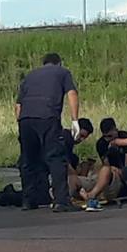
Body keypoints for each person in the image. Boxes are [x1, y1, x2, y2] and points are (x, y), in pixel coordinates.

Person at [16, 52, 82, 213]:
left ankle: (29, 200)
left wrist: (21, 123)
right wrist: (75, 120)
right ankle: (61, 201)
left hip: (25, 119)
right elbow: (72, 94)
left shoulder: (30, 75)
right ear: (59, 63)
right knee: (55, 157)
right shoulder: (63, 72)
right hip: (48, 117)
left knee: (28, 160)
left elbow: (18, 104)